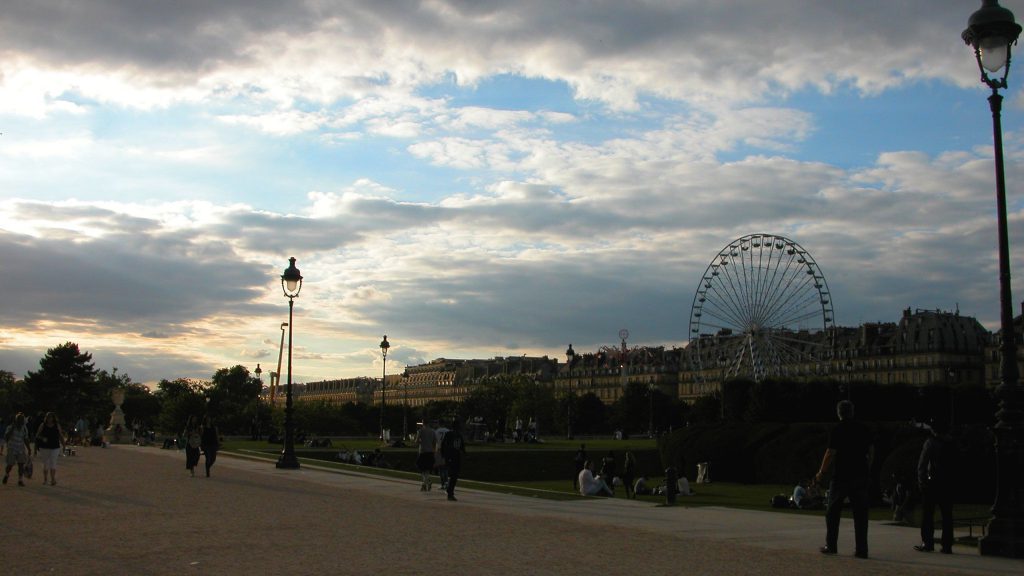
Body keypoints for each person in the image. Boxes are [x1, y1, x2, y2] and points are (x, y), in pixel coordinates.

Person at [815, 400, 873, 559]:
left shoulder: (837, 429)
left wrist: (821, 472)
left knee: (832, 513)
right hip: (860, 474)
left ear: (839, 413)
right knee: (861, 515)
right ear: (852, 412)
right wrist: (868, 467)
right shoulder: (862, 428)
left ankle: (831, 545)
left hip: (841, 475)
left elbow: (830, 453)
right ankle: (862, 549)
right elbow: (870, 450)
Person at [914, 420, 955, 554]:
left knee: (927, 515)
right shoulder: (952, 442)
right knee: (947, 515)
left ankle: (928, 542)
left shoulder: (931, 442)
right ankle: (947, 544)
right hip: (948, 482)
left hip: (933, 483)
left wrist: (922, 481)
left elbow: (923, 463)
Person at [34, 412, 66, 486]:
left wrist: (64, 444)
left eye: (51, 417)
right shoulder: (43, 425)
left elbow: (60, 435)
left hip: (55, 446)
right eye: (48, 417)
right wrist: (42, 438)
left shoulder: (57, 425)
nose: (49, 419)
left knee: (53, 462)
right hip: (44, 447)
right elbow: (37, 435)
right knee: (46, 464)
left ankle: (53, 479)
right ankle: (45, 479)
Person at [439, 418, 466, 501]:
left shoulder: (459, 435)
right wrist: (444, 455)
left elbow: (462, 447)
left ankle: (450, 491)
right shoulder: (450, 434)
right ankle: (450, 492)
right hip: (451, 457)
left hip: (456, 457)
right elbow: (444, 445)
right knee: (453, 475)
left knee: (454, 475)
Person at [3, 413, 32, 486]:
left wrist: (29, 448)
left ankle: (20, 480)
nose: (21, 422)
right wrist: (12, 429)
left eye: (22, 420)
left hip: (20, 448)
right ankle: (7, 474)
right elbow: (6, 437)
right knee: (10, 464)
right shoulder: (10, 427)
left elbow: (26, 439)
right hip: (12, 448)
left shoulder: (24, 428)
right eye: (19, 420)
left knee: (21, 465)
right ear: (16, 420)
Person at [415, 420, 436, 491]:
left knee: (422, 469)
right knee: (427, 469)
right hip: (430, 452)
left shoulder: (420, 431)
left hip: (423, 452)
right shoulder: (433, 431)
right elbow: (434, 442)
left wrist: (421, 441)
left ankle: (427, 482)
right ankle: (424, 484)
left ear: (423, 423)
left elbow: (416, 441)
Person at [434, 421, 450, 490]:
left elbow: (434, 441)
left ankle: (443, 483)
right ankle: (446, 483)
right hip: (447, 450)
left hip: (439, 450)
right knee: (446, 468)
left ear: (439, 424)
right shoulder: (448, 431)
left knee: (440, 468)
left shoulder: (437, 431)